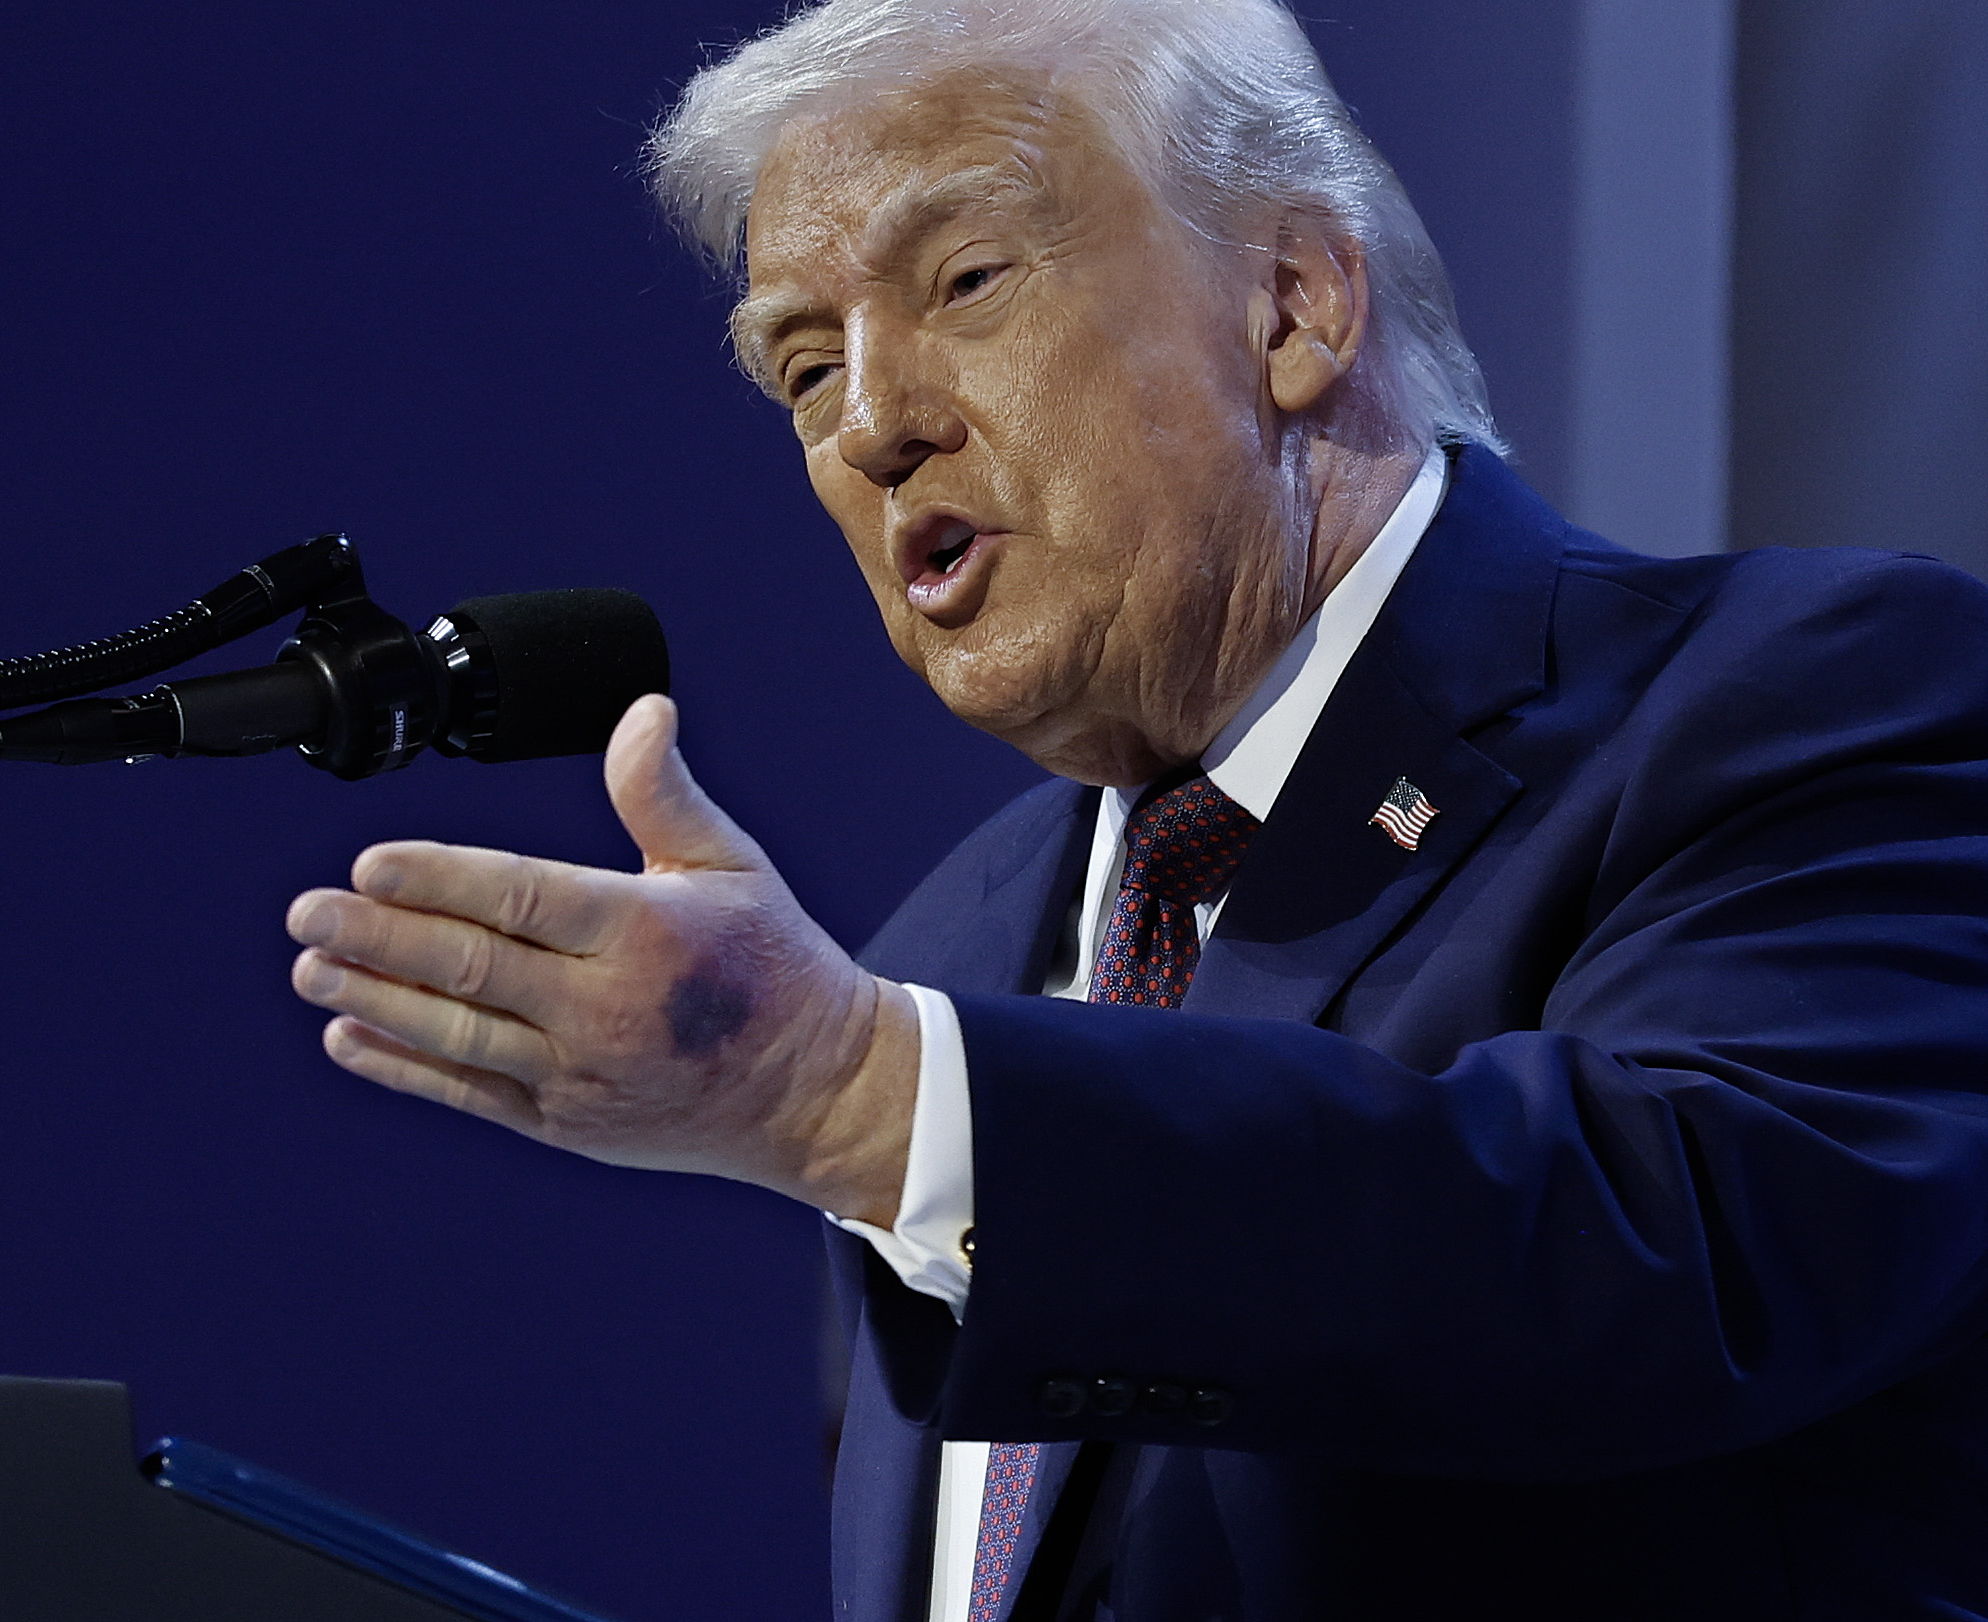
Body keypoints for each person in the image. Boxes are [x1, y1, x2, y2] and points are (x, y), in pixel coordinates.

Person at [283, 1, 1988, 1615]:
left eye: (961, 278)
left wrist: (867, 1101)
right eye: (802, 369)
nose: (869, 424)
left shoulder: (1807, 691)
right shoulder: (943, 951)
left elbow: (1676, 1253)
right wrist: (870, 1088)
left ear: (1295, 305)